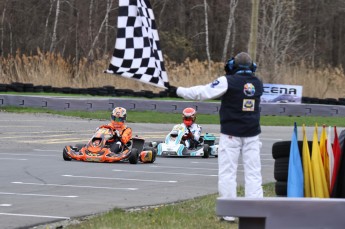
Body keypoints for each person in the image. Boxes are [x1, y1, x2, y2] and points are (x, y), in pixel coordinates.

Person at [169, 52, 264, 222]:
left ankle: (228, 213)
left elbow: (202, 93)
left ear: (232, 66)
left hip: (231, 135)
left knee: (228, 173)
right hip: (252, 135)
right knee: (254, 174)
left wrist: (178, 90)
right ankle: (255, 212)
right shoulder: (258, 83)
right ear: (252, 67)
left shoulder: (227, 81)